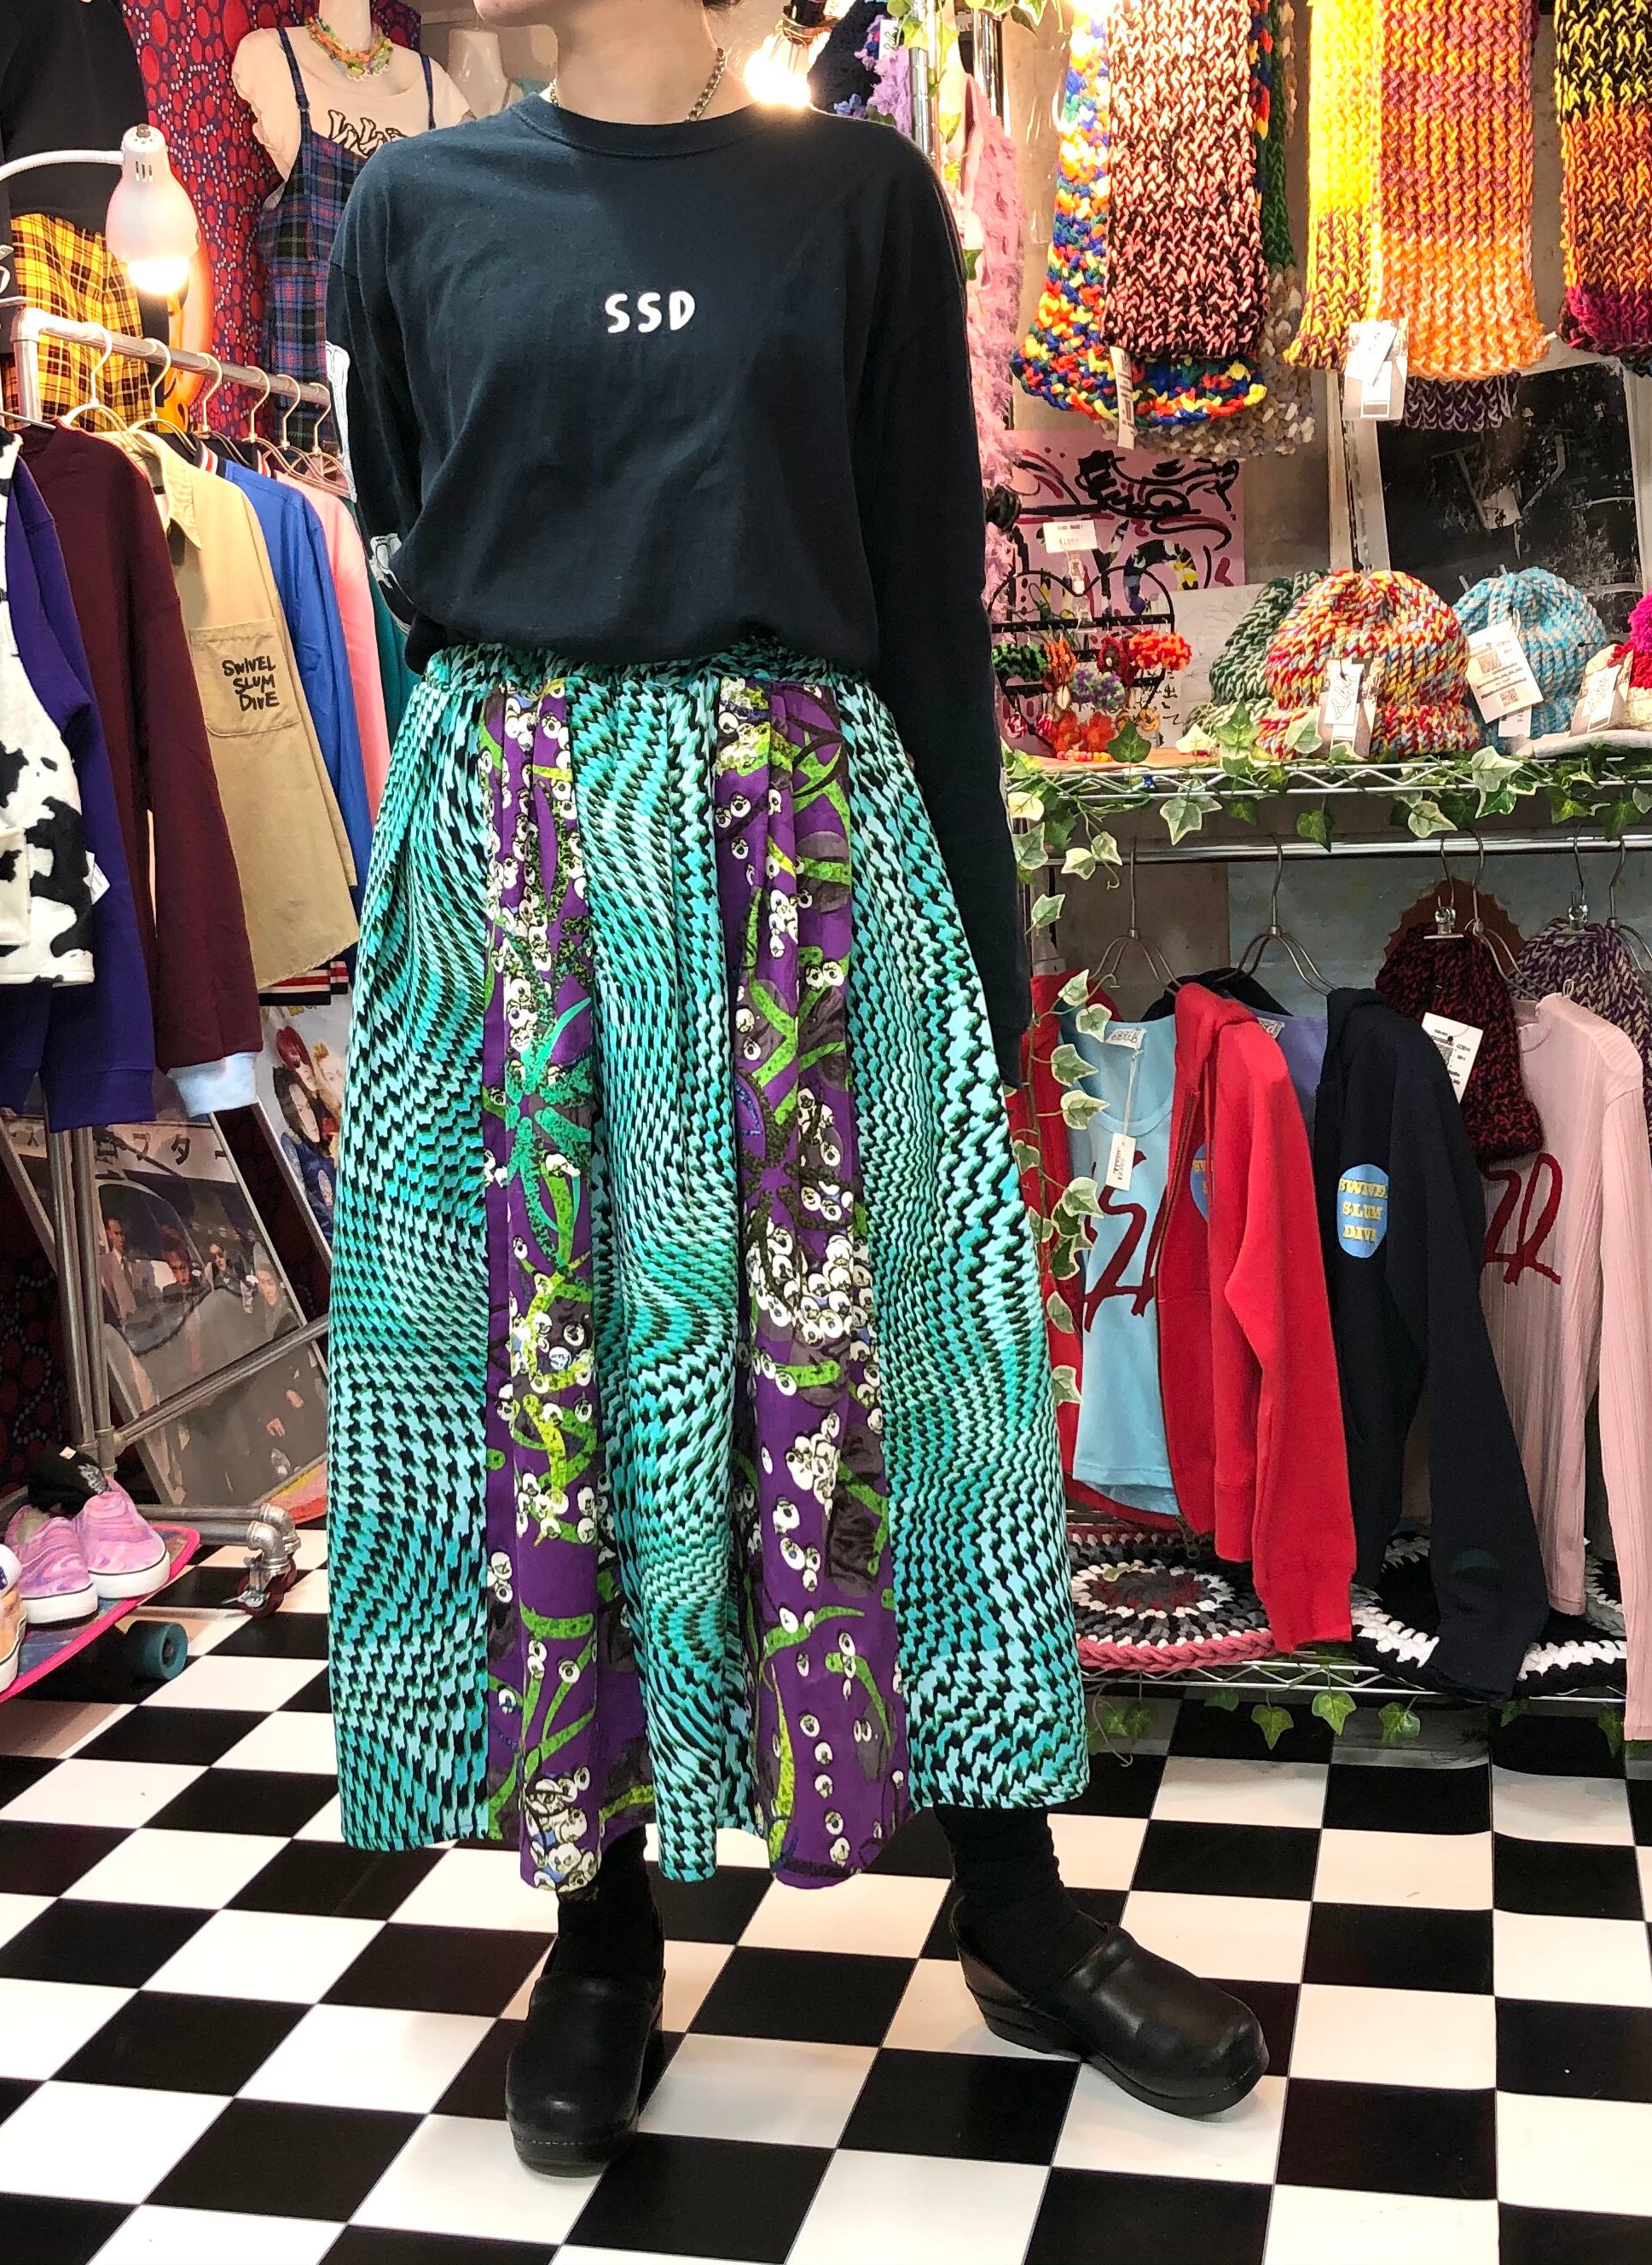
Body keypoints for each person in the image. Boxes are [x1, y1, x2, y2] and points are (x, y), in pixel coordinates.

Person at [322, 0, 1267, 2175]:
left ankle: (1016, 1904)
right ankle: (597, 1926)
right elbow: (411, 575)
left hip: (811, 858)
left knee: (918, 1375)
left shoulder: (859, 198)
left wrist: (991, 955)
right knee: (550, 1374)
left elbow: (927, 600)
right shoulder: (411, 210)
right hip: (522, 871)